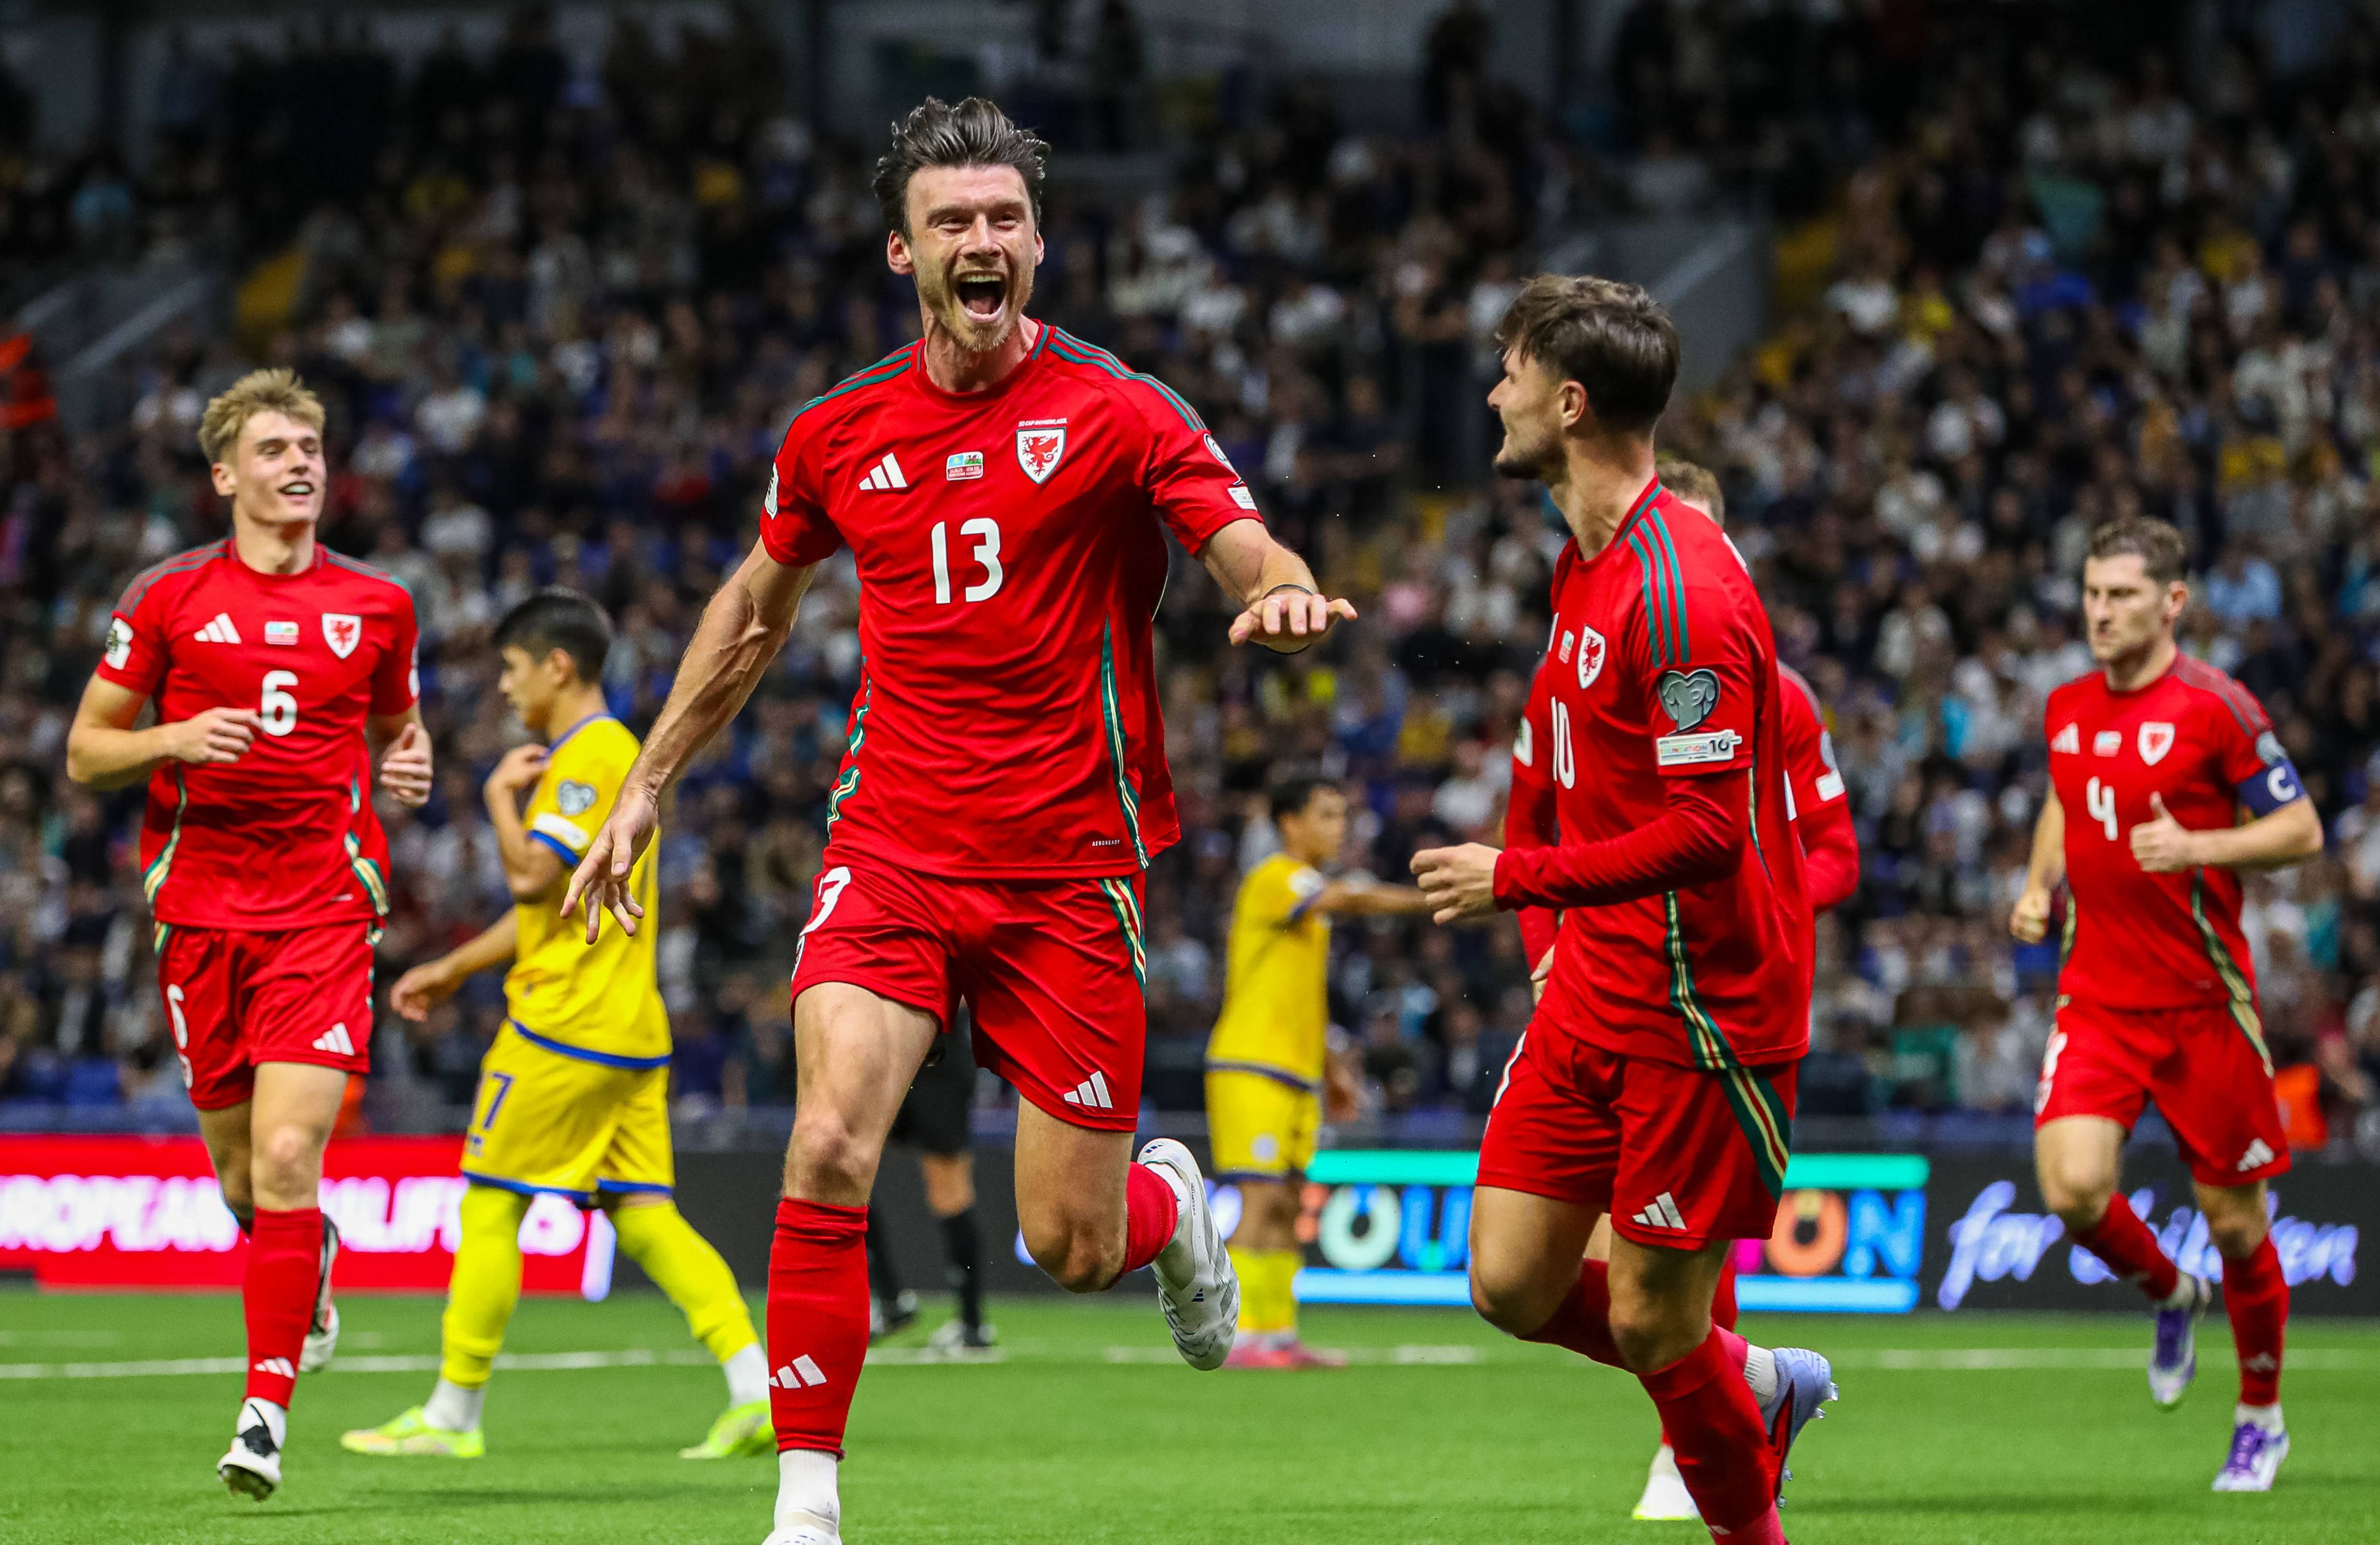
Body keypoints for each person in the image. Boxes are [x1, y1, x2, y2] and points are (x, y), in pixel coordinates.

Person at [561, 95, 1356, 1545]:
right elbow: (751, 614)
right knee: (825, 1144)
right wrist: (645, 783)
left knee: (1071, 1243)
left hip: (1069, 871)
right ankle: (807, 1504)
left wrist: (1280, 591)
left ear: (1037, 244)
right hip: (894, 850)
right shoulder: (834, 432)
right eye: (952, 221)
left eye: (1004, 218)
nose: (980, 239)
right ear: (903, 251)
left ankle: (1166, 1211)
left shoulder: (1121, 406)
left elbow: (1240, 542)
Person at [1411, 276, 1833, 1545]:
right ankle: (1753, 1382)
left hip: (1701, 1015)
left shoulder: (1679, 591)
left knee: (1653, 1321)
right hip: (1593, 990)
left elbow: (1708, 836)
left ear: (1570, 403)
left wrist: (1515, 879)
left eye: (1512, 371)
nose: (1495, 391)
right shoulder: (1578, 564)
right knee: (1507, 1282)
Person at [64, 368, 433, 1500]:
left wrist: (411, 758)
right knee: (240, 1177)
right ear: (224, 476)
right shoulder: (167, 598)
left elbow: (397, 723)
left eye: (310, 447)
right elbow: (85, 750)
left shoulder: (379, 604)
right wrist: (169, 740)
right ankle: (305, 1253)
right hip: (199, 912)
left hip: (324, 908)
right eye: (274, 449)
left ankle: (262, 1413)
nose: (299, 464)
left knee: (284, 1158)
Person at [346, 589, 774, 1462]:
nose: (504, 687)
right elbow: (557, 906)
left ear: (557, 664)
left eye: (511, 669)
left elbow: (534, 879)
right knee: (644, 1214)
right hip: (628, 1027)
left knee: (491, 1201)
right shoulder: (617, 755)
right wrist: (455, 967)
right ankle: (756, 1389)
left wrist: (497, 798)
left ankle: (452, 1413)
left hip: (562, 1025)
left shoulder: (593, 753)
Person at [2007, 516, 2325, 1494]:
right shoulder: (2065, 705)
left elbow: (2300, 828)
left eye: (2121, 596)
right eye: (2091, 593)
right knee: (2071, 1190)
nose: (2099, 612)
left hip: (2201, 1004)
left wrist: (2198, 847)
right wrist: (2038, 883)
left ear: (2171, 602)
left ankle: (2259, 1417)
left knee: (2237, 1225)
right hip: (2098, 997)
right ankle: (2169, 1291)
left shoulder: (2216, 707)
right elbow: (2064, 798)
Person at [1581, 457, 1860, 1521]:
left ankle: (1682, 1444)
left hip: (1725, 992)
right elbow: (1544, 813)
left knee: (1689, 1230)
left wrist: (1763, 902)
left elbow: (1833, 851)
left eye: (1696, 537)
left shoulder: (1781, 695)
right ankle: (1733, 1398)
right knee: (1577, 1247)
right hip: (1612, 979)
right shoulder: (1595, 656)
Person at [1209, 774, 1426, 1368]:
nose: (1339, 827)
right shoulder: (1276, 878)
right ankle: (1238, 1336)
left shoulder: (1310, 906)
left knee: (1286, 1203)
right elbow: (1350, 897)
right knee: (1259, 1201)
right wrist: (1430, 900)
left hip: (1295, 1072)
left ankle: (1277, 1333)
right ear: (1290, 822)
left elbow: (1304, 996)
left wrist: (1331, 1070)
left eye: (1342, 816)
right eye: (1326, 814)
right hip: (1252, 1064)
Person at [864, 1022, 994, 1356]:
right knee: (846, 1167)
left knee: (949, 1192)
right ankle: (891, 1302)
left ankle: (972, 1324)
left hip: (937, 1056)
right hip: (882, 1052)